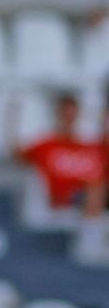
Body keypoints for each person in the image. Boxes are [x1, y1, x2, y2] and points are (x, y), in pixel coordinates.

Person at [15, 92, 107, 222]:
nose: (69, 119)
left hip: (97, 196)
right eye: (65, 114)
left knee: (97, 188)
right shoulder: (46, 145)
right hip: (68, 200)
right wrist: (13, 115)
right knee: (94, 189)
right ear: (58, 115)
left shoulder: (91, 147)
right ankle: (92, 235)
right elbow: (16, 153)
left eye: (72, 114)